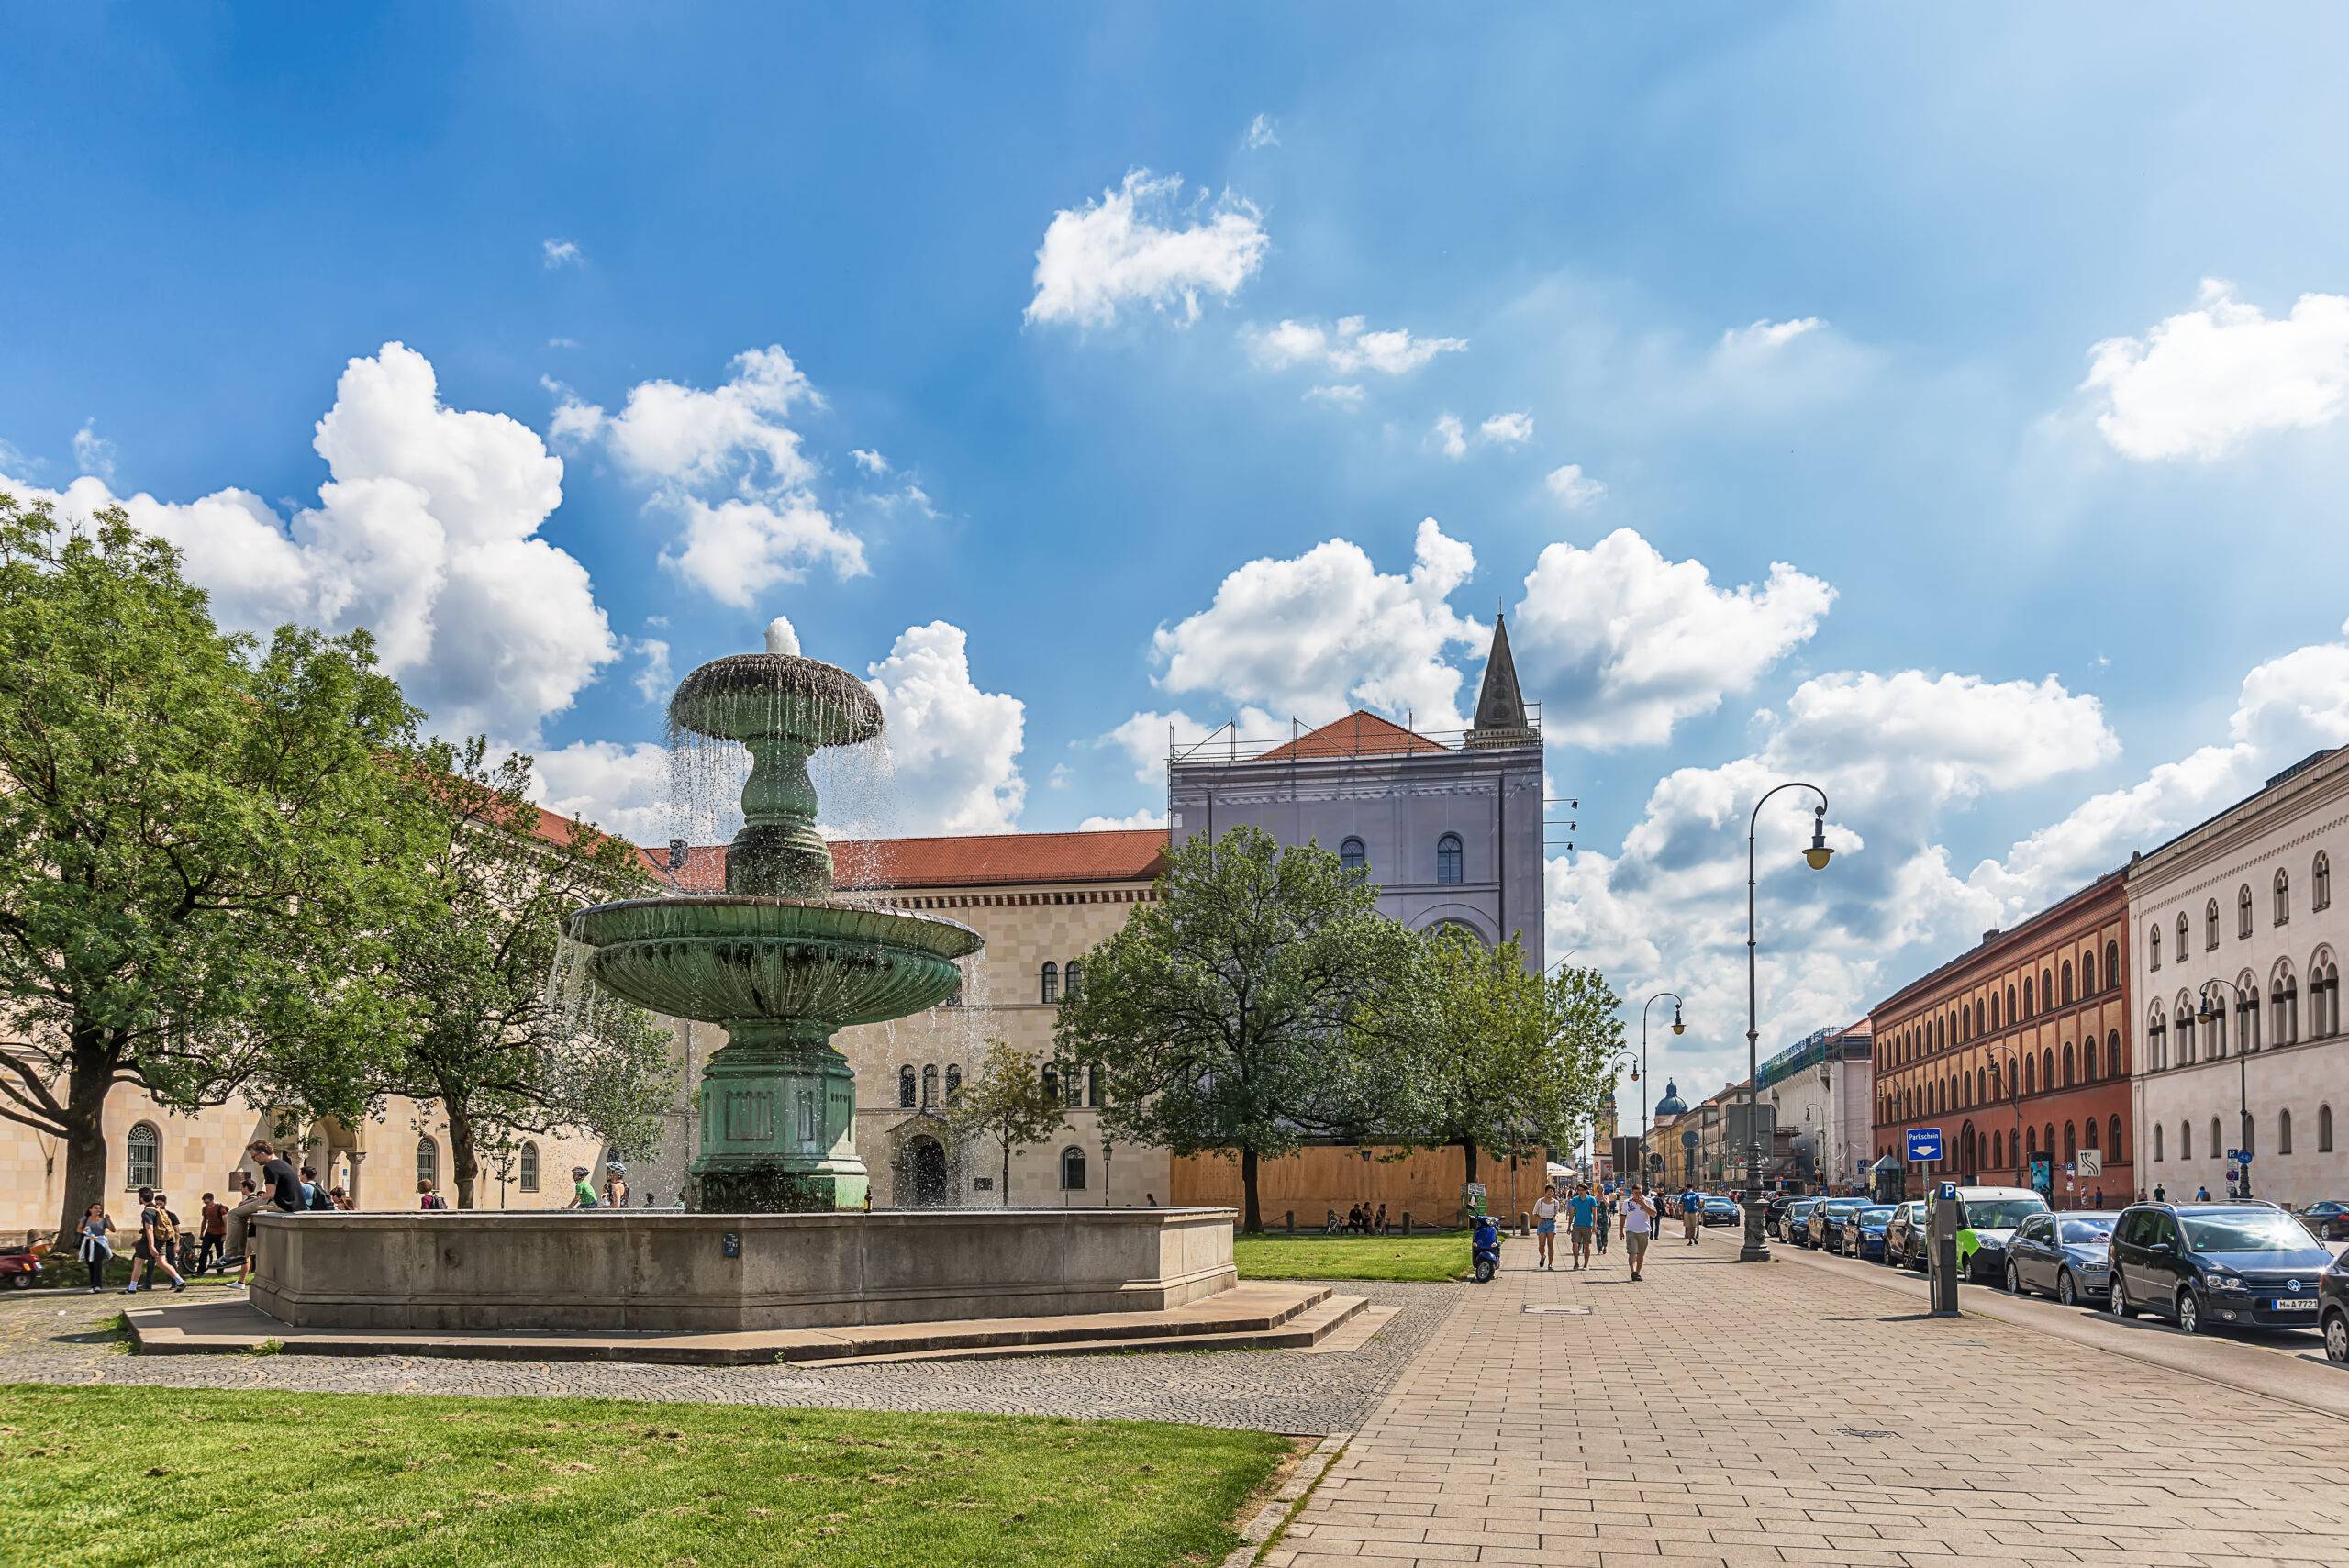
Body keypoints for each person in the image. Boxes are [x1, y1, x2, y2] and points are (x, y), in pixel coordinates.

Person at [125, 1186, 188, 1294]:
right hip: (161, 1239)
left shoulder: (147, 1212)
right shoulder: (158, 1209)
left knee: (138, 1261)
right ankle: (180, 1281)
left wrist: (151, 1246)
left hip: (150, 1241)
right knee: (162, 1263)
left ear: (141, 1198)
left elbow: (149, 1229)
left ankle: (132, 1288)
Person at [76, 1205, 114, 1294]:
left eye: (100, 1208)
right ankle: (93, 1285)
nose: (98, 1210)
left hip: (100, 1243)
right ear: (90, 1209)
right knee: (90, 1264)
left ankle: (98, 1285)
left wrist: (109, 1219)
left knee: (97, 1263)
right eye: (96, 1208)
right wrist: (86, 1232)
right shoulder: (85, 1219)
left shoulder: (103, 1220)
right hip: (88, 1242)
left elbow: (113, 1230)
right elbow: (78, 1229)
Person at [1622, 1184, 1657, 1281]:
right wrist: (1621, 1231)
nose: (1638, 1194)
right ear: (1632, 1193)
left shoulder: (1648, 1201)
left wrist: (1643, 1204)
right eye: (1636, 1192)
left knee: (1641, 1254)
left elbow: (1654, 1214)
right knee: (1632, 1252)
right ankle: (1633, 1272)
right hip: (1631, 1230)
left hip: (1644, 1230)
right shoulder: (1627, 1202)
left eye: (1640, 1192)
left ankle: (1638, 1272)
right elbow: (1622, 1217)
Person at [1567, 1184, 1598, 1270]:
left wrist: (1594, 1225)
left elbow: (1594, 1213)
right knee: (1575, 1244)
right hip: (1576, 1225)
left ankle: (1586, 1264)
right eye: (1579, 1190)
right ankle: (1576, 1262)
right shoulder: (1574, 1200)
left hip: (1588, 1225)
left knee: (1587, 1245)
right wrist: (1569, 1226)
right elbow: (1572, 1213)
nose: (1580, 1191)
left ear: (1586, 1190)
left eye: (1582, 1190)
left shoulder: (1591, 1199)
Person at [1531, 1184, 1561, 1270]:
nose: (1549, 1193)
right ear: (1545, 1192)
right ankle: (1543, 1256)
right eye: (1548, 1191)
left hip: (1551, 1223)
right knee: (1541, 1245)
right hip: (1542, 1223)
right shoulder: (1539, 1201)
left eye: (1551, 1191)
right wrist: (1539, 1219)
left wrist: (1555, 1217)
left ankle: (1550, 1264)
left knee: (1550, 1245)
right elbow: (1534, 1213)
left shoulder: (1556, 1202)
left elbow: (1557, 1213)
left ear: (1553, 1193)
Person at [198, 1193, 228, 1274]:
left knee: (220, 1252)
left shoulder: (220, 1208)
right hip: (209, 1232)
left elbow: (225, 1221)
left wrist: (225, 1234)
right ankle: (200, 1271)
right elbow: (204, 1220)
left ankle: (220, 1271)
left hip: (219, 1233)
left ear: (212, 1200)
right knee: (204, 1251)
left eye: (208, 1202)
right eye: (205, 1202)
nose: (206, 1204)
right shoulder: (205, 1209)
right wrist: (202, 1233)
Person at [1593, 1189, 1610, 1256]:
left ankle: (1605, 1246)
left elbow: (1608, 1205)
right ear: (1597, 1190)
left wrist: (1603, 1198)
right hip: (1597, 1219)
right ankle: (1599, 1249)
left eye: (1602, 1190)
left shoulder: (1606, 1196)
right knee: (1598, 1234)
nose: (1601, 1192)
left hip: (1604, 1218)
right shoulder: (1594, 1198)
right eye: (1599, 1190)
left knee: (1605, 1233)